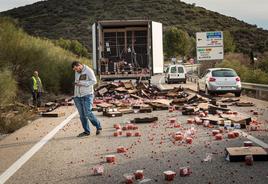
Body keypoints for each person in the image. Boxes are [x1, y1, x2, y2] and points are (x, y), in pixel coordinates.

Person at [72, 61, 102, 137]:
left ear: (79, 65)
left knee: (88, 112)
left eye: (76, 69)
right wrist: (75, 94)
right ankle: (86, 131)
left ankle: (98, 126)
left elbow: (94, 81)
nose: (76, 71)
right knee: (82, 115)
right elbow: (77, 82)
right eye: (75, 70)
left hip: (87, 95)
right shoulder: (77, 72)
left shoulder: (88, 70)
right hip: (77, 96)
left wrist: (83, 84)